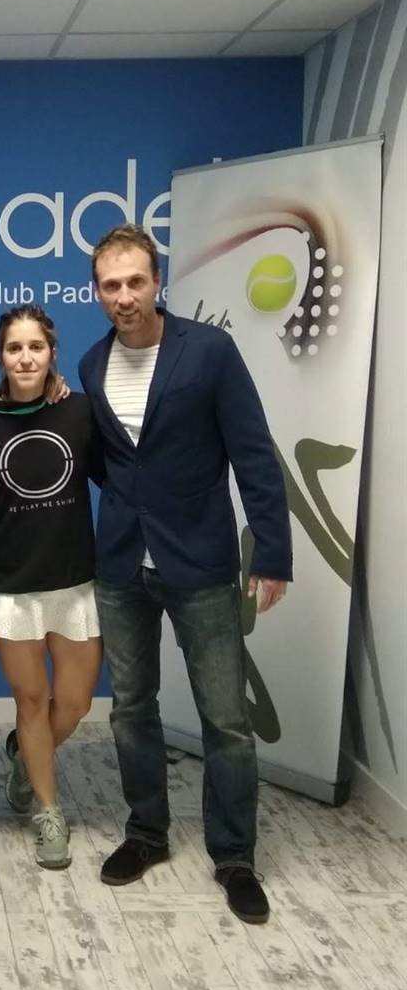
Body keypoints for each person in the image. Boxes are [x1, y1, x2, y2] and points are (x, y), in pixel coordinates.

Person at [79, 224, 292, 924]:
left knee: (225, 719)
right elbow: (111, 461)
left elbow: (253, 451)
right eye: (111, 285)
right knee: (131, 708)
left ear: (158, 281)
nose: (124, 296)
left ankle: (234, 856)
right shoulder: (91, 363)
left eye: (135, 281)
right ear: (97, 291)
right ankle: (147, 832)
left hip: (200, 560)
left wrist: (272, 552)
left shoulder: (209, 352)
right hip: (121, 564)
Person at [0, 307, 103, 869]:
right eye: (14, 348)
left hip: (74, 582)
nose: (25, 358)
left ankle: (24, 754)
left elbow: (121, 477)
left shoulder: (79, 411)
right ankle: (48, 811)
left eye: (36, 348)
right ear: (0, 355)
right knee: (30, 700)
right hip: (11, 587)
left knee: (73, 704)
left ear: (52, 353)